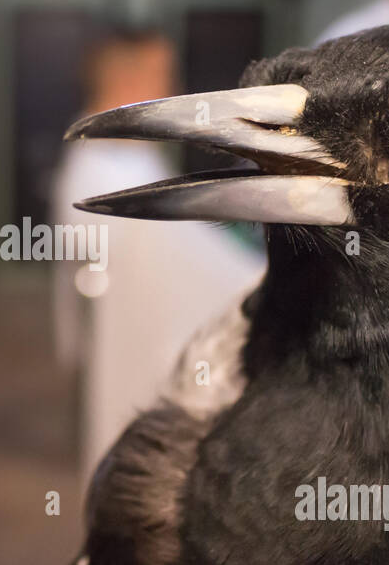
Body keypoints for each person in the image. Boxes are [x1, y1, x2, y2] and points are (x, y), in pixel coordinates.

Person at [50, 29, 265, 484]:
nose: (171, 90)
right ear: (128, 80)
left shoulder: (123, 155)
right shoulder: (104, 169)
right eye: (160, 75)